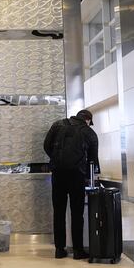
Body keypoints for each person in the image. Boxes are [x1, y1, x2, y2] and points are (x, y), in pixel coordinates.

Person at [43, 109, 99, 259]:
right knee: (77, 212)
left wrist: (56, 160)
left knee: (59, 211)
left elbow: (46, 146)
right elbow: (93, 160)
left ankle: (59, 249)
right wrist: (89, 176)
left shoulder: (57, 125)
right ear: (87, 120)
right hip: (77, 175)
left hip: (58, 174)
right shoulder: (89, 133)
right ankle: (78, 250)